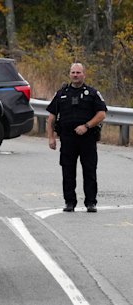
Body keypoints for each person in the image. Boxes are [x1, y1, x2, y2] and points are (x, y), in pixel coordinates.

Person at [46, 63, 107, 213]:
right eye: (73, 72)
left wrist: (86, 126)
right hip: (67, 139)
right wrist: (51, 138)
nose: (75, 75)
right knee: (68, 171)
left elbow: (101, 114)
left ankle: (91, 203)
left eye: (78, 72)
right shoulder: (61, 94)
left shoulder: (92, 93)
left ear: (84, 75)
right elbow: (51, 118)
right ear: (69, 74)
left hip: (87, 139)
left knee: (89, 171)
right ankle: (69, 202)